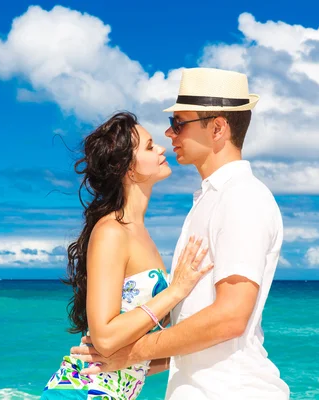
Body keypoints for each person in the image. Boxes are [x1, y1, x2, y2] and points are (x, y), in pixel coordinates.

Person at [71, 68, 291, 399]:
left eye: (179, 123)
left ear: (217, 128)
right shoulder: (207, 203)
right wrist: (120, 356)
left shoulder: (241, 197)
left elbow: (230, 318)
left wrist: (128, 354)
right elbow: (191, 335)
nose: (169, 134)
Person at [40, 111, 214, 399]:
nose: (161, 149)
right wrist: (176, 291)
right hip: (84, 391)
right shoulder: (111, 231)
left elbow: (132, 353)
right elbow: (105, 337)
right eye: (149, 146)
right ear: (128, 169)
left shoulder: (140, 233)